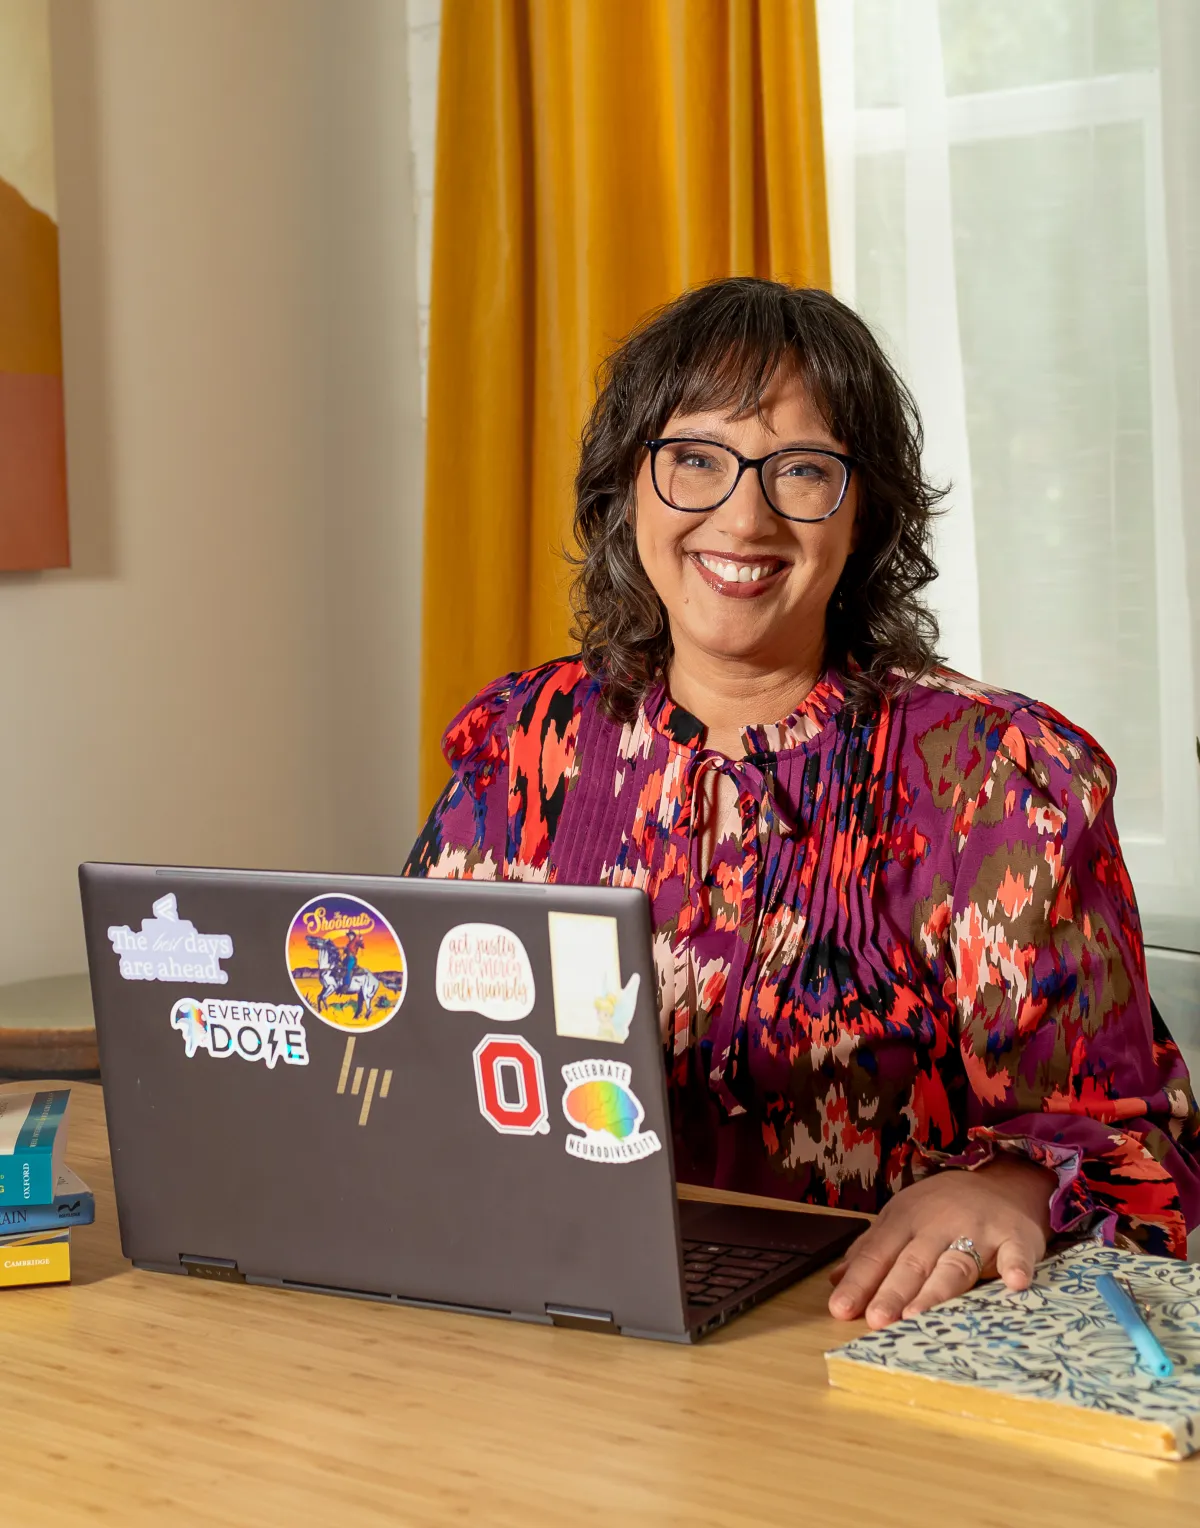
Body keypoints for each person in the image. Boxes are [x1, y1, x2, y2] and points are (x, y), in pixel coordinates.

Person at [406, 277, 1200, 1329]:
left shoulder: (997, 776)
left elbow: (1141, 1145)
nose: (744, 516)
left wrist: (1005, 1187)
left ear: (864, 513)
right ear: (627, 487)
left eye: (803, 470)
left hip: (859, 1337)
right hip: (548, 1321)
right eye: (696, 458)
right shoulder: (522, 743)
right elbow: (409, 1060)